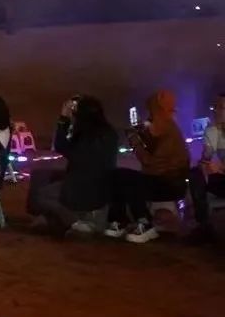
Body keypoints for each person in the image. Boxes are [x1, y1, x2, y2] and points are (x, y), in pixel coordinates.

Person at [26, 95, 118, 236]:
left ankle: (74, 220)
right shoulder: (110, 133)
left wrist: (64, 118)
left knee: (40, 196)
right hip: (102, 188)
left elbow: (61, 146)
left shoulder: (85, 136)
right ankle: (62, 218)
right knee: (42, 175)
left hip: (83, 190)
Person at [106, 89, 190, 243]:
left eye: (152, 111)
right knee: (118, 175)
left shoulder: (169, 130)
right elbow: (154, 148)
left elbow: (149, 161)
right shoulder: (164, 126)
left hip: (170, 183)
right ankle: (119, 220)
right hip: (162, 179)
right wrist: (141, 133)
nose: (150, 115)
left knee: (131, 181)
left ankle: (145, 223)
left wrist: (134, 140)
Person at [189, 93, 225, 238]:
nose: (216, 110)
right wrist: (204, 164)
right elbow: (206, 157)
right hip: (221, 179)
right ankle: (203, 225)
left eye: (221, 107)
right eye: (215, 107)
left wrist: (220, 167)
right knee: (195, 174)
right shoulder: (212, 130)